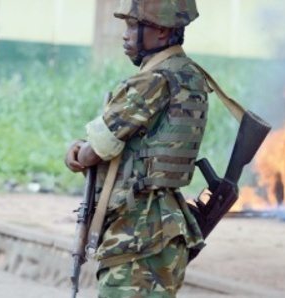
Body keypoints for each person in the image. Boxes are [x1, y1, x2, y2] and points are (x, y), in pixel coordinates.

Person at [64, 0, 208, 296]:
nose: (125, 35)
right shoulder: (189, 74)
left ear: (163, 31)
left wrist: (77, 152)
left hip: (139, 229)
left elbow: (96, 150)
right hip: (163, 224)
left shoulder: (153, 80)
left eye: (134, 25)